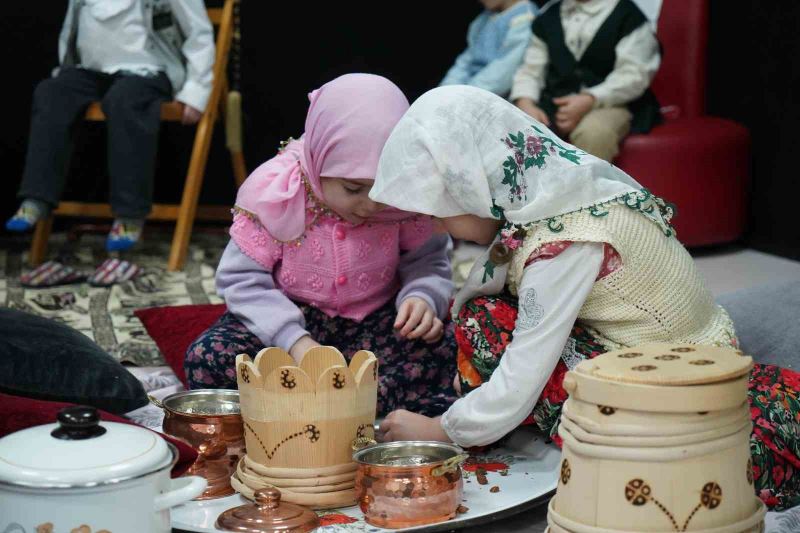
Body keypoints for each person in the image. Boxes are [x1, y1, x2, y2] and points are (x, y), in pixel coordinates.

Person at [371, 85, 800, 511]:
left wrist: (441, 429)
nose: (438, 230)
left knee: (483, 324)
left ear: (470, 187)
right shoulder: (561, 186)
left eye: (437, 212)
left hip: (676, 387)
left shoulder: (564, 242)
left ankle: (590, 441)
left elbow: (521, 375)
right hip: (679, 350)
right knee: (483, 311)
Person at [184, 74, 458, 417]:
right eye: (353, 188)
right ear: (319, 158)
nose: (372, 205)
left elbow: (428, 261)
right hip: (288, 326)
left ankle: (309, 406)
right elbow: (242, 282)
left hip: (374, 327)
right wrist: (296, 343)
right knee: (209, 357)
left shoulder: (403, 198)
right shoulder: (278, 192)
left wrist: (422, 298)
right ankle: (352, 406)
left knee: (450, 350)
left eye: (383, 187)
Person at [6, 0, 215, 258]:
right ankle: (37, 197)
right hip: (92, 71)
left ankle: (130, 213)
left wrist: (196, 90)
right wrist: (65, 69)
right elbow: (70, 28)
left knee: (125, 101)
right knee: (51, 93)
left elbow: (199, 33)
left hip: (148, 71)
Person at [511, 0, 661, 162]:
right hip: (556, 99)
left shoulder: (628, 15)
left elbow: (634, 74)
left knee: (594, 133)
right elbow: (531, 70)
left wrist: (591, 98)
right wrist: (525, 102)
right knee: (520, 129)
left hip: (613, 102)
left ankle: (584, 187)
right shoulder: (549, 17)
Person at [440, 0, 537, 99]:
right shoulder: (484, 18)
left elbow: (503, 73)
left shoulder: (525, 18)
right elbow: (466, 60)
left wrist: (465, 95)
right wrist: (445, 90)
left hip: (489, 97)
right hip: (464, 91)